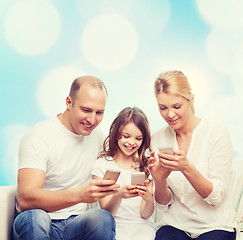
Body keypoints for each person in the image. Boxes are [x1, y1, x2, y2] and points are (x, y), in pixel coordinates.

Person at [13, 76, 120, 240]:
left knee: (101, 219)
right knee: (34, 218)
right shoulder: (39, 136)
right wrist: (79, 195)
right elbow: (26, 199)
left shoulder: (98, 135)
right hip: (42, 222)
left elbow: (126, 156)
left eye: (99, 112)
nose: (92, 120)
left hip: (76, 224)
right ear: (69, 102)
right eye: (86, 110)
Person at [148, 70, 237, 240]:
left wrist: (186, 167)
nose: (170, 114)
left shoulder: (217, 134)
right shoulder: (158, 139)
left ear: (191, 100)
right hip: (175, 225)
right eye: (163, 108)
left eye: (177, 106)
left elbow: (216, 197)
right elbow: (163, 204)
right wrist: (159, 180)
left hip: (214, 226)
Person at [92, 107, 156, 240]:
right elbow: (107, 213)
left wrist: (148, 199)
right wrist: (119, 195)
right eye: (126, 136)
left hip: (142, 227)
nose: (131, 142)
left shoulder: (146, 167)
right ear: (116, 134)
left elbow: (145, 214)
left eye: (138, 138)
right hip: (113, 227)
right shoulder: (102, 165)